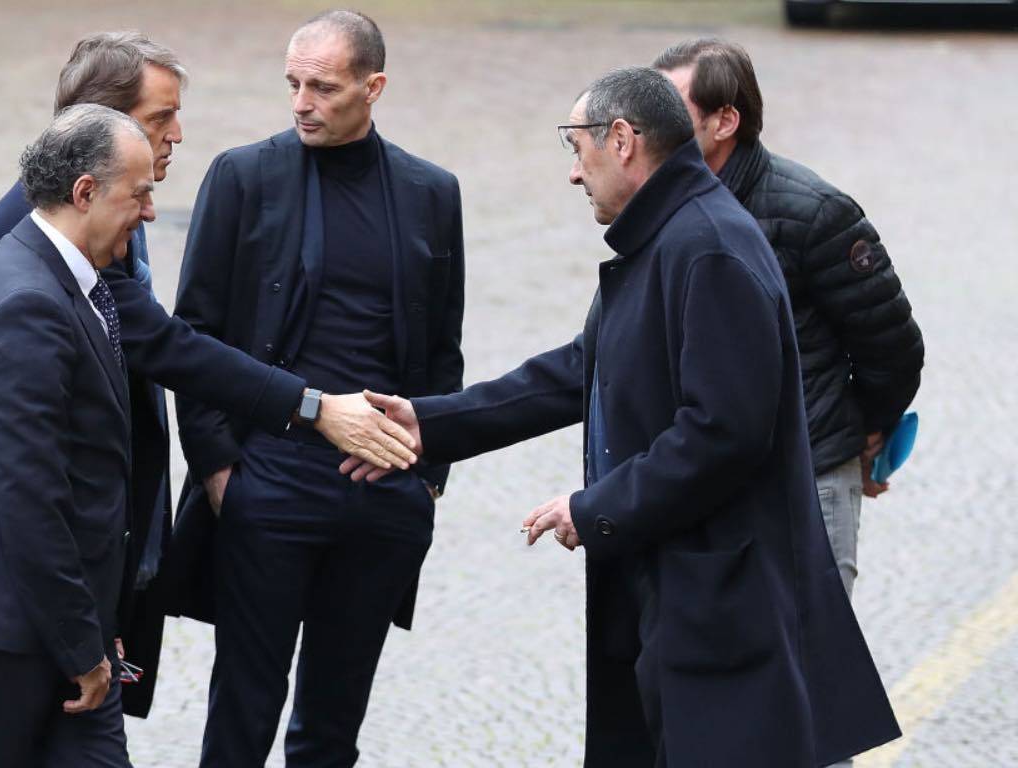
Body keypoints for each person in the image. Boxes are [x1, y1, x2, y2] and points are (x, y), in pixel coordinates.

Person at [0, 31, 417, 766]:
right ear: (98, 150)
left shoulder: (96, 227)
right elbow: (167, 354)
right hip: (0, 587)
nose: (177, 135)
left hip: (56, 585)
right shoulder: (35, 250)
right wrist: (317, 408)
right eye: (162, 118)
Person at [358, 67, 901, 766]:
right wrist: (430, 424)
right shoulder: (670, 236)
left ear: (621, 140)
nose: (573, 174)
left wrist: (595, 508)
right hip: (673, 591)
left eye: (575, 146)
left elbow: (724, 432)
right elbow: (585, 366)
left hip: (722, 608)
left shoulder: (707, 247)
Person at [167, 10, 465, 766]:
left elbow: (441, 352)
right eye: (293, 84)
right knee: (242, 710)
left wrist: (426, 479)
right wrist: (221, 472)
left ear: (374, 88)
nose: (301, 102)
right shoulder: (244, 176)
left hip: (382, 499)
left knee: (333, 729)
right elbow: (192, 336)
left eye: (323, 87)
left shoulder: (432, 191)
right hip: (268, 483)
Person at [0, 104, 152, 767]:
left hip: (56, 630)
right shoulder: (28, 302)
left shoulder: (59, 284)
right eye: (140, 194)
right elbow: (29, 496)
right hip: (6, 635)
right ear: (85, 193)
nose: (151, 212)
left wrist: (97, 630)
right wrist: (84, 644)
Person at [652, 37, 923, 606]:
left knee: (813, 672)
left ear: (726, 120)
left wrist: (862, 430)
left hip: (809, 480)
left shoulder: (815, 213)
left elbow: (891, 345)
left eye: (671, 110)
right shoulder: (659, 211)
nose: (654, 125)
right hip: (704, 482)